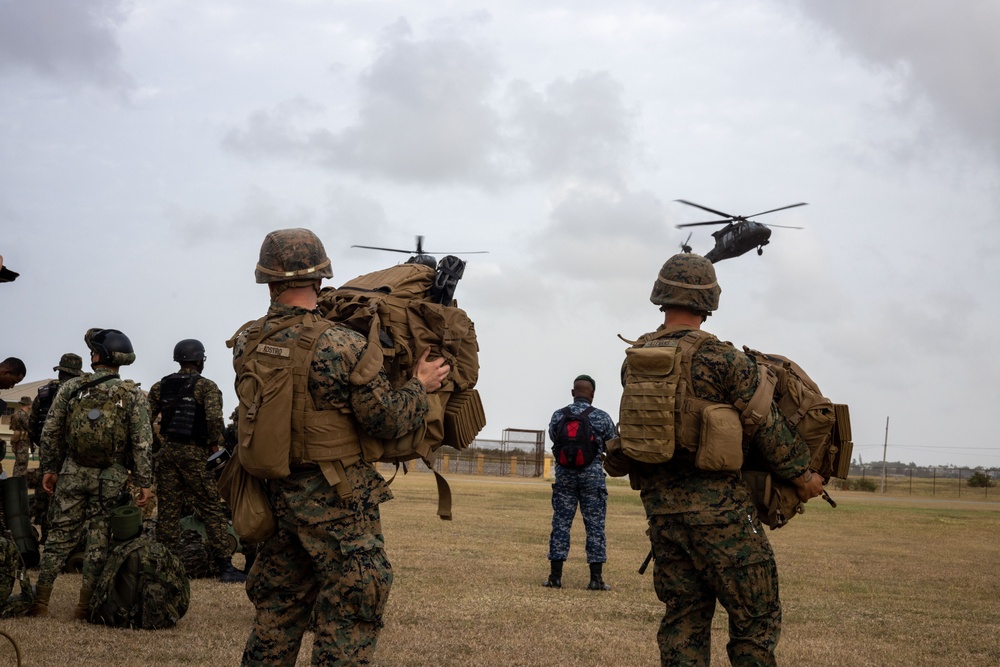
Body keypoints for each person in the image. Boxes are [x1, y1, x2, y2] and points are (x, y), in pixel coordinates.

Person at [232, 228, 450, 666]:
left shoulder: (246, 340)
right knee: (354, 599)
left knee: (279, 607)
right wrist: (420, 387)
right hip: (334, 495)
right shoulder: (342, 344)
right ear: (320, 279)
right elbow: (386, 419)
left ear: (269, 282)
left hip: (274, 492)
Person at [607, 253, 825, 666]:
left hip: (663, 515)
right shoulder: (724, 360)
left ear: (660, 296)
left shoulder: (634, 361)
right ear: (709, 302)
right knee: (756, 620)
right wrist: (803, 475)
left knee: (683, 620)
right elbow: (767, 427)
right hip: (720, 514)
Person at [28, 328, 153, 620]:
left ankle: (41, 602)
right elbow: (142, 442)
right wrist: (144, 482)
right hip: (111, 477)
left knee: (59, 536)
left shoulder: (71, 388)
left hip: (72, 472)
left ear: (97, 356)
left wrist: (50, 468)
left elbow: (51, 431)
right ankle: (84, 608)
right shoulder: (132, 394)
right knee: (99, 540)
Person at [148, 338, 245, 583]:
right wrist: (216, 446)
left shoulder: (160, 386)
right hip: (195, 453)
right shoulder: (207, 387)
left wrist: (158, 446)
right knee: (212, 507)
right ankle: (225, 566)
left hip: (168, 452)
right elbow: (213, 420)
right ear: (200, 360)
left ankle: (164, 564)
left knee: (168, 510)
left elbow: (144, 420)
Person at [544, 374, 617, 591]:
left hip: (565, 475)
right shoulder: (602, 417)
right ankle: (596, 579)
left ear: (573, 392)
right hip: (591, 476)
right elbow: (611, 446)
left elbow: (554, 438)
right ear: (592, 394)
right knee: (595, 526)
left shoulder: (558, 415)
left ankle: (555, 577)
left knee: (561, 524)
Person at [9, 397, 32, 477]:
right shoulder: (24, 415)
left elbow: (12, 427)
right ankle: (18, 484)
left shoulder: (15, 414)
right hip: (23, 441)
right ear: (28, 404)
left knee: (18, 463)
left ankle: (16, 482)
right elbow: (30, 428)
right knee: (22, 463)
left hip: (17, 441)